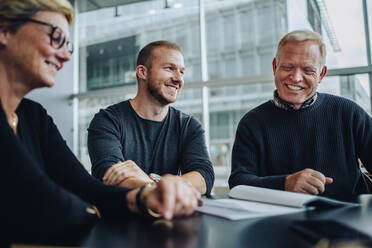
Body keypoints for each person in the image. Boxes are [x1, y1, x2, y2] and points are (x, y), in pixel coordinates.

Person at [0, 1, 201, 246]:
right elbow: (46, 204)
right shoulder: (108, 119)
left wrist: (148, 193)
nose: (64, 55)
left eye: (68, 45)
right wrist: (94, 209)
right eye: (55, 37)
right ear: (4, 30)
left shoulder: (34, 117)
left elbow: (86, 187)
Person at [229, 29, 372, 201]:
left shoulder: (349, 113)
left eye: (308, 70)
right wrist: (285, 183)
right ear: (275, 67)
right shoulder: (252, 123)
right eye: (288, 67)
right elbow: (238, 183)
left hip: (349, 217)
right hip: (278, 221)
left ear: (321, 74)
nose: (296, 78)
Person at [88, 41, 214, 195]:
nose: (178, 79)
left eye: (181, 72)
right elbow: (111, 176)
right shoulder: (108, 120)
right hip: (119, 216)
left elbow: (203, 177)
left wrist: (153, 182)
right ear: (142, 72)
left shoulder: (188, 125)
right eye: (170, 68)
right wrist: (168, 187)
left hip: (171, 216)